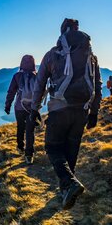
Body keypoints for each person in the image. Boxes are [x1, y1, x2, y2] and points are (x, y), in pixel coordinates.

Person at [30, 18, 102, 210]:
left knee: (53, 148)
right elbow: (97, 85)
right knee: (71, 149)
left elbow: (40, 84)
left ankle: (69, 185)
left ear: (62, 32)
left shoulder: (53, 54)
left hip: (59, 109)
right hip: (82, 110)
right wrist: (94, 112)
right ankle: (67, 190)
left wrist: (34, 109)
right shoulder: (91, 57)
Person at [5, 55, 37, 165]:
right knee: (30, 130)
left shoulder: (17, 76)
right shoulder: (37, 76)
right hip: (32, 107)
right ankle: (29, 155)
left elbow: (11, 92)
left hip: (19, 106)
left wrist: (7, 105)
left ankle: (20, 146)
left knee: (20, 127)